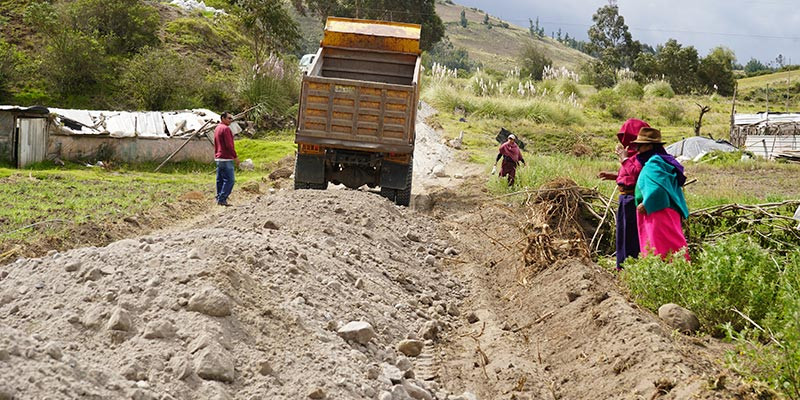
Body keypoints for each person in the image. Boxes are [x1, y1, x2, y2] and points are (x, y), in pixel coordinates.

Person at [598, 118, 650, 270]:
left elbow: (638, 175)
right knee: (623, 232)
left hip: (635, 199)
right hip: (625, 197)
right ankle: (622, 265)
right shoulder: (633, 154)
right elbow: (628, 175)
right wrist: (613, 176)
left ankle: (632, 265)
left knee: (632, 233)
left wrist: (624, 158)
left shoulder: (643, 156)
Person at [631, 127, 690, 260]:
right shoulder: (665, 161)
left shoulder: (655, 162)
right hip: (666, 210)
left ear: (650, 146)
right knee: (672, 242)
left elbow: (659, 188)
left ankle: (665, 275)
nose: (637, 150)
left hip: (657, 211)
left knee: (659, 246)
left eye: (640, 146)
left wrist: (646, 204)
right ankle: (680, 271)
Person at [214, 112, 239, 206]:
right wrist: (235, 156)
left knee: (220, 179)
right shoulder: (225, 129)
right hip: (226, 157)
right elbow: (229, 145)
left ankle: (219, 197)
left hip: (218, 157)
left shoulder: (217, 128)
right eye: (229, 118)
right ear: (223, 118)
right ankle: (222, 199)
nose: (230, 120)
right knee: (230, 180)